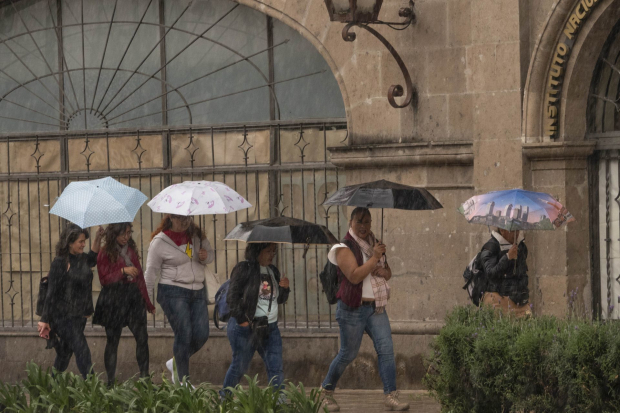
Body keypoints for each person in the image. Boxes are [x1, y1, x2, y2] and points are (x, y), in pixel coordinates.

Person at [320, 207, 409, 412]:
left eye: (367, 222)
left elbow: (387, 272)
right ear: (350, 222)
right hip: (352, 309)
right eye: (359, 221)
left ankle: (391, 395)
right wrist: (374, 258)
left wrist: (384, 270)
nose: (364, 226)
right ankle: (325, 392)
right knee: (348, 354)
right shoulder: (343, 247)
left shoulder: (374, 244)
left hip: (376, 307)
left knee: (386, 350)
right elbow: (354, 276)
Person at [144, 214, 213, 384]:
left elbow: (210, 255)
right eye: (181, 218)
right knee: (184, 333)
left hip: (197, 290)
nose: (185, 222)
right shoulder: (160, 242)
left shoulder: (197, 236)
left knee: (202, 334)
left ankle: (175, 362)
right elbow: (150, 273)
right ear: (171, 218)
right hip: (172, 291)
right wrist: (147, 298)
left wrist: (206, 256)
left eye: (188, 218)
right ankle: (183, 381)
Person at [221, 243, 290, 398]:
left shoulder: (273, 270)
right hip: (247, 327)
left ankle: (279, 402)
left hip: (269, 328)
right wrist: (243, 321)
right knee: (239, 366)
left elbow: (278, 299)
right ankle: (225, 398)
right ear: (257, 251)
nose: (272, 254)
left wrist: (285, 288)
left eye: (274, 251)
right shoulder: (244, 269)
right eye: (268, 251)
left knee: (275, 367)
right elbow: (232, 297)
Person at [37, 224, 104, 379]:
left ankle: (51, 386)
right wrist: (44, 320)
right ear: (69, 242)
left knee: (65, 354)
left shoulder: (82, 258)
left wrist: (98, 237)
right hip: (63, 316)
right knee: (82, 350)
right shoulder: (60, 263)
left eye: (84, 241)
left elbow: (93, 257)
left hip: (78, 316)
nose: (83, 244)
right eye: (80, 241)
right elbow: (51, 293)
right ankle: (93, 388)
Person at [94, 222, 155, 386]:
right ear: (114, 233)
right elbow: (104, 279)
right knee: (113, 341)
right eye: (123, 233)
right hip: (113, 299)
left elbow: (140, 276)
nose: (126, 237)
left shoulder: (131, 251)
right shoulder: (104, 253)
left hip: (133, 297)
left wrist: (147, 302)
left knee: (142, 338)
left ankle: (144, 377)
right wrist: (122, 272)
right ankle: (110, 382)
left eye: (129, 233)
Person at [479, 228, 531, 318]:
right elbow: (490, 274)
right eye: (513, 230)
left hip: (520, 301)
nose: (516, 233)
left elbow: (522, 272)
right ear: (502, 230)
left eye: (518, 230)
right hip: (498, 300)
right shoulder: (490, 247)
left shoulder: (521, 246)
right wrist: (507, 257)